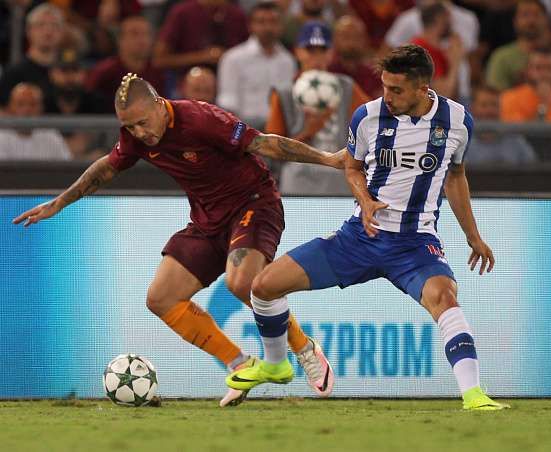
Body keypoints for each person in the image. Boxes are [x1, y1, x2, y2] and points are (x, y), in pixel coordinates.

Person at [13, 73, 343, 407]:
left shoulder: (201, 119)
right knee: (161, 298)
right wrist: (59, 202)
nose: (139, 133)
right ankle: (240, 363)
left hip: (254, 203)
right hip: (206, 221)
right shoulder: (135, 136)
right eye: (129, 127)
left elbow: (266, 143)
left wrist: (328, 159)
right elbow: (106, 169)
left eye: (142, 123)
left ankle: (304, 349)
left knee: (242, 282)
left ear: (159, 105)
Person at [227, 45, 510, 411]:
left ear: (423, 87)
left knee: (446, 299)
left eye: (396, 90)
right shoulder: (367, 117)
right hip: (359, 238)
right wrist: (365, 201)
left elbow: (456, 175)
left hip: (415, 244)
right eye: (384, 87)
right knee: (263, 287)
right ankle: (276, 363)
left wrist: (474, 236)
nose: (386, 97)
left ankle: (474, 396)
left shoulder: (457, 121)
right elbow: (352, 166)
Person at [266, 21, 369, 195]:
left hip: (341, 181)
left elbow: (371, 126)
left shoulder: (347, 86)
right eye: (310, 50)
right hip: (298, 183)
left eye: (323, 50)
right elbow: (272, 149)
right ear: (298, 52)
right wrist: (308, 132)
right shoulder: (284, 92)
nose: (317, 57)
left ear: (331, 53)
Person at [216, 1, 296, 130]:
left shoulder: (288, 61)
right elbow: (227, 104)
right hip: (243, 129)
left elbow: (289, 106)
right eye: (261, 22)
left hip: (279, 131)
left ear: (281, 26)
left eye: (273, 22)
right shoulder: (233, 58)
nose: (268, 28)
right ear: (250, 26)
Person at [485, 0, 551, 91]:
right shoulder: (501, 58)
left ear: (546, 20)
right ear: (515, 21)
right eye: (525, 15)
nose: (531, 20)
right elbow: (494, 96)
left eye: (536, 15)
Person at [0, 3, 65, 111]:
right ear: (28, 31)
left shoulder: (69, 72)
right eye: (41, 25)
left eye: (55, 25)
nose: (48, 31)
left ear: (62, 32)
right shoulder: (13, 73)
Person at [465, 85, 537, 167]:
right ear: (473, 108)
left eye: (494, 105)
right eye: (484, 105)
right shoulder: (463, 144)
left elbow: (533, 169)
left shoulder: (515, 139)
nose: (490, 111)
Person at [0, 83, 71, 161]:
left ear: (41, 108)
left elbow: (67, 168)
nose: (27, 110)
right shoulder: (2, 137)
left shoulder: (51, 136)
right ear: (10, 107)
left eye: (32, 104)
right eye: (20, 104)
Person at [500, 47, 551, 122]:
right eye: (538, 68)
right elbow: (519, 130)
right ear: (528, 70)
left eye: (549, 68)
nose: (544, 74)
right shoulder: (510, 98)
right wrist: (543, 104)